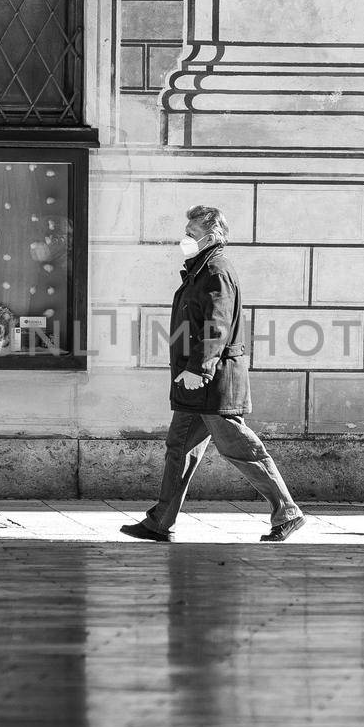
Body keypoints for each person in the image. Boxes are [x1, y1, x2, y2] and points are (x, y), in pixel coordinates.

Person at [121, 205, 307, 544]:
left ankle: (288, 511)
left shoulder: (217, 271)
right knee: (178, 448)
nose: (186, 240)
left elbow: (216, 326)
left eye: (192, 234)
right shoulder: (200, 270)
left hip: (212, 381)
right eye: (187, 233)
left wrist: (200, 369)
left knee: (241, 448)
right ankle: (160, 521)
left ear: (212, 236)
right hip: (195, 383)